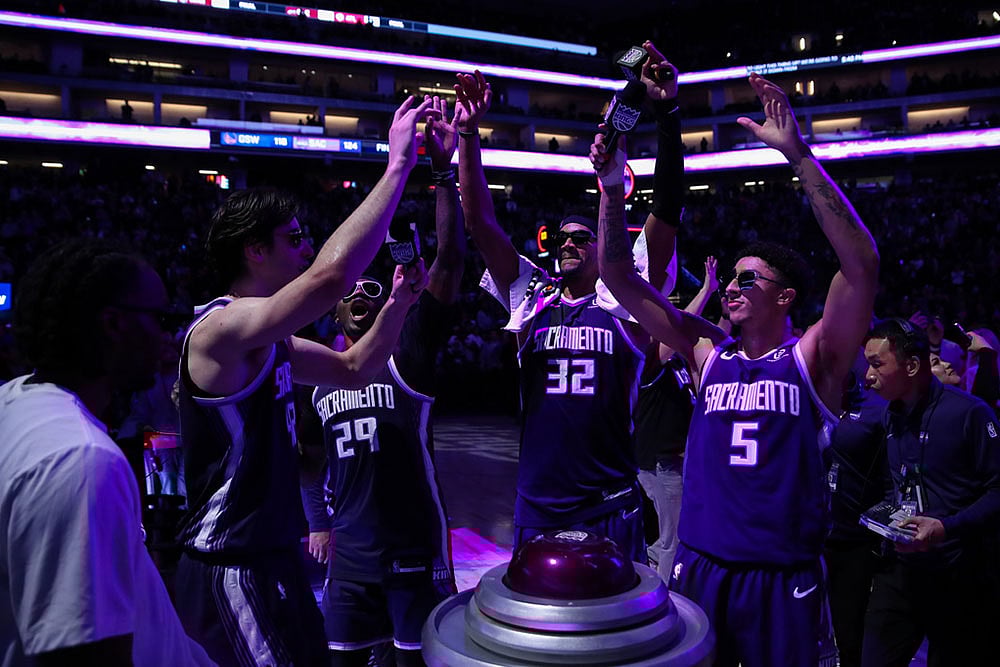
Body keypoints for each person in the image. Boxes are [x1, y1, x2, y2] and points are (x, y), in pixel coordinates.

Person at [592, 72, 879, 667]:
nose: (731, 286)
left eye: (750, 278)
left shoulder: (812, 359)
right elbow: (619, 276)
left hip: (780, 573)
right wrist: (612, 188)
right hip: (701, 564)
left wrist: (798, 156)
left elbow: (861, 265)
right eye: (730, 278)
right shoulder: (707, 352)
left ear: (785, 297)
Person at [174, 95, 434, 667]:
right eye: (293, 238)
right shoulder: (220, 329)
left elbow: (353, 368)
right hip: (231, 561)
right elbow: (330, 277)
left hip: (272, 555)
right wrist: (398, 165)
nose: (306, 248)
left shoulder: (275, 342)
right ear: (255, 249)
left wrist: (398, 301)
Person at [453, 41, 683, 562]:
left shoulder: (622, 294)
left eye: (582, 237)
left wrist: (667, 114)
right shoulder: (531, 296)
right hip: (538, 501)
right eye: (563, 238)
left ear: (605, 247)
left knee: (618, 614)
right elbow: (479, 223)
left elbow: (667, 212)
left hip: (609, 501)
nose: (569, 243)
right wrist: (468, 135)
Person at [304, 96, 465, 667]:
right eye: (348, 291)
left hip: (410, 551)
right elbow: (307, 461)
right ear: (334, 309)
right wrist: (318, 524)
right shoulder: (318, 374)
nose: (359, 296)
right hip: (349, 558)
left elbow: (449, 262)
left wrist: (442, 173)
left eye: (371, 289)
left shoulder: (407, 354)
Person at [0, 240, 214, 666]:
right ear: (114, 324)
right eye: (160, 318)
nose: (169, 336)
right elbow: (83, 656)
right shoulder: (81, 460)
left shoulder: (13, 403)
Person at [860, 318, 1000, 666]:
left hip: (959, 577)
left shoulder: (970, 413)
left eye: (877, 364)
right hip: (900, 573)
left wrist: (945, 528)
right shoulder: (889, 414)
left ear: (911, 366)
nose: (868, 375)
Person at [633, 256, 719, 582]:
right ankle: (665, 598)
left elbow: (713, 339)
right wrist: (706, 291)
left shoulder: (678, 363)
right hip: (659, 462)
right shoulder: (648, 359)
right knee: (674, 538)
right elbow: (681, 330)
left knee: (668, 535)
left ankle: (650, 575)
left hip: (673, 460)